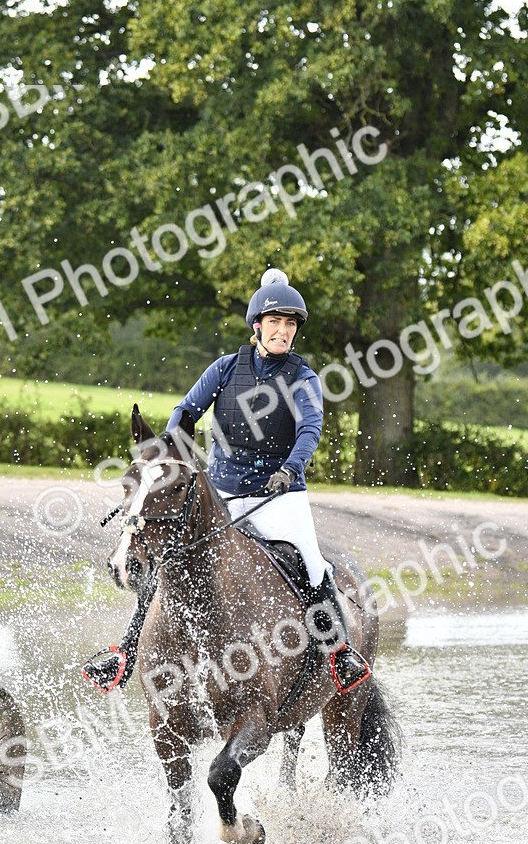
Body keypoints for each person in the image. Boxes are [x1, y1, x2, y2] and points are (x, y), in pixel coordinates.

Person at [82, 268, 364, 692]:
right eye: (275, 322)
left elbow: (309, 430)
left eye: (290, 324)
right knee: (168, 560)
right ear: (258, 326)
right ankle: (124, 653)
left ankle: (338, 654)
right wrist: (172, 453)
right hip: (222, 491)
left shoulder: (303, 378)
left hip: (279, 493)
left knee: (312, 564)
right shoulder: (226, 369)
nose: (283, 331)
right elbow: (186, 411)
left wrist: (291, 468)